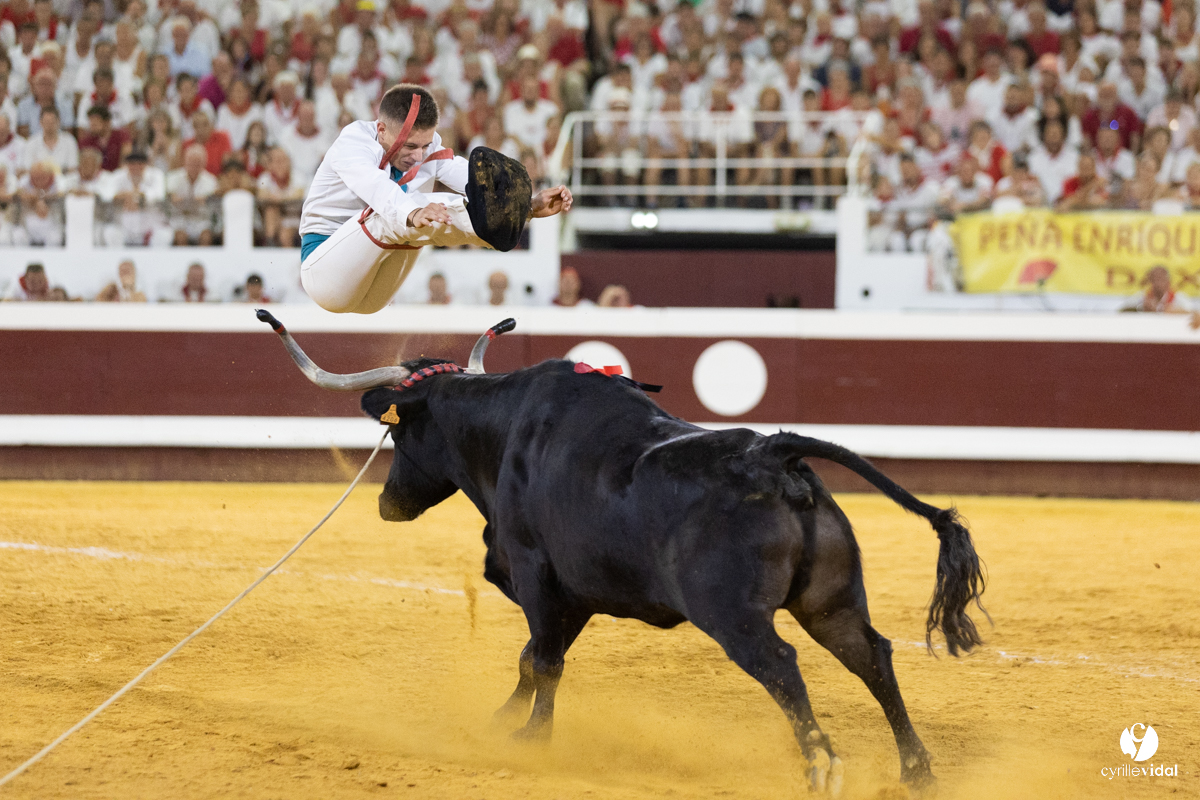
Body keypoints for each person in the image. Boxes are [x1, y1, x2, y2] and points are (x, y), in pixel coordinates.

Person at [297, 84, 572, 314]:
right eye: (410, 146)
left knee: (422, 213)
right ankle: (470, 222)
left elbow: (470, 179)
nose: (418, 155)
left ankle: (494, 223)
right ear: (381, 130)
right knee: (399, 212)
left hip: (373, 294)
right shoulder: (354, 141)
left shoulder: (427, 146)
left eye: (425, 146)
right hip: (324, 276)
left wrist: (526, 206)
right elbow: (376, 187)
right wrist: (413, 212)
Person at [1121, 265, 1193, 313]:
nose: (1157, 283)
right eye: (1154, 280)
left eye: (1161, 279)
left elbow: (1193, 313)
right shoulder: (1142, 297)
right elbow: (1123, 310)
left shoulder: (1178, 298)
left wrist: (1173, 311)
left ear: (1168, 283)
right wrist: (1141, 308)